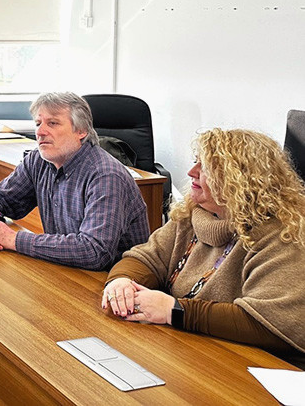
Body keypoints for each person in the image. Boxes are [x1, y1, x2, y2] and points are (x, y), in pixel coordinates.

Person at [103, 129, 305, 367]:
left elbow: (269, 323)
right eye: (196, 161)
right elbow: (145, 258)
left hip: (257, 365)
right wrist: (122, 281)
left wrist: (174, 310)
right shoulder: (194, 215)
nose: (191, 172)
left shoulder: (284, 235)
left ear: (239, 178)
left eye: (206, 167)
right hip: (195, 349)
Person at [0, 92, 148, 270]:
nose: (40, 132)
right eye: (38, 123)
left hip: (113, 281)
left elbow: (94, 251)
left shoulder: (106, 176)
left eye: (52, 123)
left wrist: (12, 239)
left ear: (81, 131)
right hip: (67, 269)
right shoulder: (38, 160)